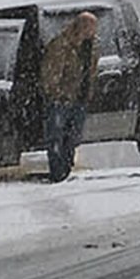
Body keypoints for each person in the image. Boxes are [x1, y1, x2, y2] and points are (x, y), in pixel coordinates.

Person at [42, 10, 100, 182]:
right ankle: (57, 172)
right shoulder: (61, 45)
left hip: (80, 99)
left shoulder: (93, 46)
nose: (94, 31)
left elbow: (92, 71)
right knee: (56, 136)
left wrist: (88, 92)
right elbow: (50, 73)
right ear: (81, 27)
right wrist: (56, 94)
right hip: (61, 99)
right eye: (91, 27)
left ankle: (65, 168)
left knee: (73, 137)